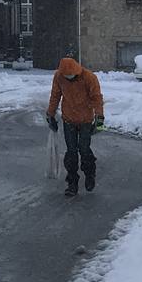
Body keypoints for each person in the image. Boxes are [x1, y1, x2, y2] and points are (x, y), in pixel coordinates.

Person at [45, 57, 105, 198]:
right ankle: (72, 183)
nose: (69, 78)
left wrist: (100, 119)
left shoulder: (89, 77)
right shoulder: (59, 77)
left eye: (71, 76)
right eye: (66, 76)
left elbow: (97, 98)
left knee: (84, 149)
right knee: (71, 152)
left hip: (85, 120)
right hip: (68, 119)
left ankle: (90, 173)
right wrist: (50, 114)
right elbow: (55, 95)